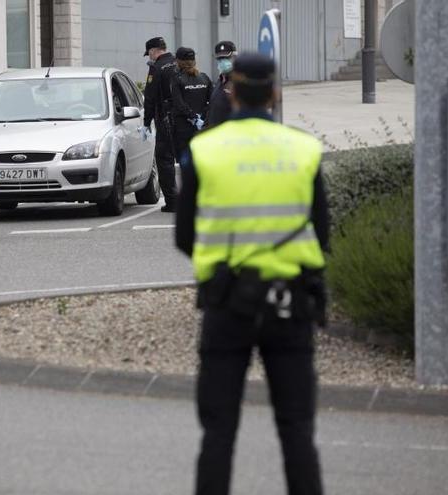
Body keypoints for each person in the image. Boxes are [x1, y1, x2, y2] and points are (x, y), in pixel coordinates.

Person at [175, 52, 330, 495]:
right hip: (291, 304)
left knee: (219, 432)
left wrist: (221, 264)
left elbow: (184, 236)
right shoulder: (304, 150)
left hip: (226, 304)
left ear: (234, 92)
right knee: (297, 431)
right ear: (275, 94)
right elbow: (322, 234)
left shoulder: (204, 153)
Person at [142, 36, 179, 212]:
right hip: (184, 119)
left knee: (164, 160)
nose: (149, 57)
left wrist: (146, 122)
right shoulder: (179, 63)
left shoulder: (156, 68)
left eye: (148, 53)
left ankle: (172, 201)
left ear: (153, 51)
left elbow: (149, 97)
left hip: (165, 119)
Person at [170, 47, 212, 168]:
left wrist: (192, 117)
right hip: (202, 126)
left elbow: (179, 103)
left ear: (179, 62)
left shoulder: (177, 79)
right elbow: (212, 101)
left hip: (183, 128)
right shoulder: (204, 77)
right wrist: (202, 117)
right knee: (201, 161)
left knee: (185, 163)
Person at [206, 41, 237, 129]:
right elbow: (212, 108)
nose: (222, 61)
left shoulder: (239, 82)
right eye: (219, 59)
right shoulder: (220, 81)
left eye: (226, 58)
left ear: (234, 57)